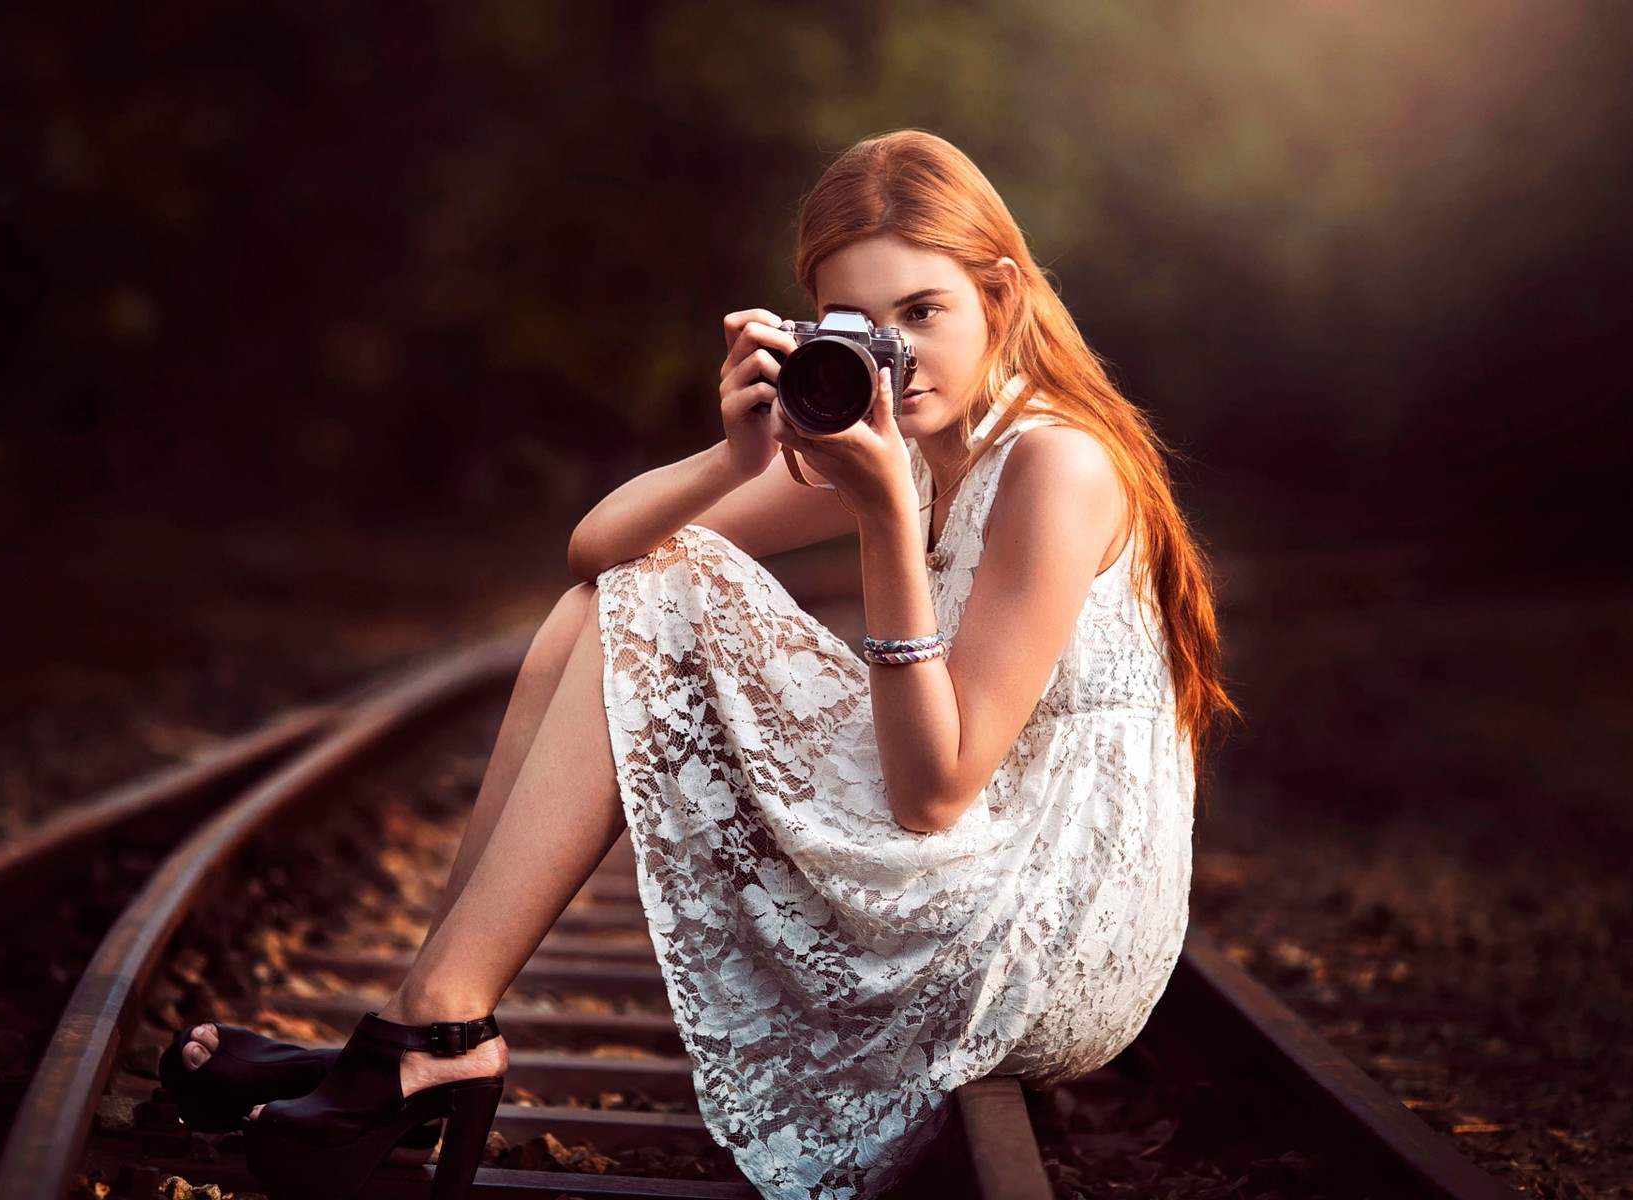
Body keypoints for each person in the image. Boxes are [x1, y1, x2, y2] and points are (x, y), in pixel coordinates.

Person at [161, 128, 1238, 1200]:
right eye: (864, 326)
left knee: (663, 589)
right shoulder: (893, 439)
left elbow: (934, 792)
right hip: (967, 852)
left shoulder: (1054, 462)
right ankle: (427, 1019)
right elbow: (593, 550)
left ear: (998, 300)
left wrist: (879, 528)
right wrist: (738, 455)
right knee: (610, 595)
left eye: (924, 313)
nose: (899, 353)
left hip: (1038, 935)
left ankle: (419, 1036)